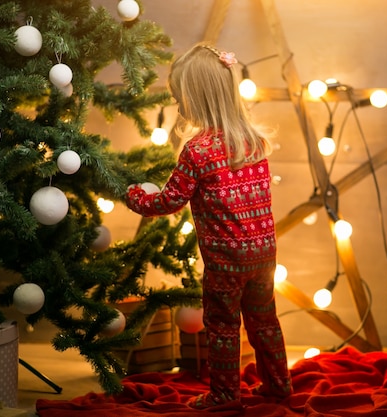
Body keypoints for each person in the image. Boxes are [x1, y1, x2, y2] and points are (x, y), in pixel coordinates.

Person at [125, 42, 292, 409]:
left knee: (222, 325)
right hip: (264, 256)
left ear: (198, 98)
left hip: (226, 262)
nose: (179, 105)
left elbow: (169, 201)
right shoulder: (254, 141)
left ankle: (224, 395)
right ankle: (280, 385)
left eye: (179, 97)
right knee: (264, 321)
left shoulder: (198, 151)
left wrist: (136, 196)